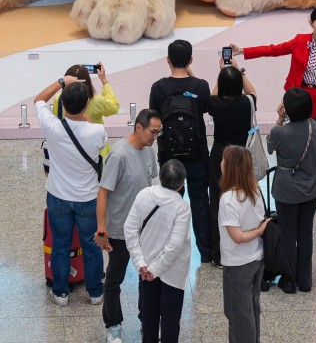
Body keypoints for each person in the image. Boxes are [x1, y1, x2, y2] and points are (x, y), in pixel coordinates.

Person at [35, 76, 107, 306]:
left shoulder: (53, 127)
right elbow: (92, 132)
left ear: (63, 104)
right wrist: (82, 113)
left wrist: (61, 82)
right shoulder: (97, 132)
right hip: (87, 199)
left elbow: (39, 100)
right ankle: (95, 292)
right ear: (86, 105)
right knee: (91, 245)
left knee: (60, 244)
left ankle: (60, 292)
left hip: (58, 196)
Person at [232, 6, 316, 143]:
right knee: (299, 136)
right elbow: (273, 50)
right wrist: (242, 51)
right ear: (311, 24)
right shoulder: (299, 41)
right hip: (300, 96)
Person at [96, 109, 161, 343]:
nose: (155, 137)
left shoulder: (148, 152)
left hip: (145, 229)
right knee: (115, 279)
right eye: (153, 132)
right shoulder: (119, 155)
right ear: (139, 128)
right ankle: (113, 324)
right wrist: (102, 229)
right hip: (120, 231)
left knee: (149, 276)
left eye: (158, 133)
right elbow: (103, 193)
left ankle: (148, 321)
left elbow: (151, 184)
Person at [149, 39, 212, 263]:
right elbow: (206, 108)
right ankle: (206, 252)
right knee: (200, 202)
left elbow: (154, 119)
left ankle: (167, 252)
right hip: (197, 155)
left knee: (169, 203)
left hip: (169, 156)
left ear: (168, 60)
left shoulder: (158, 88)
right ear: (191, 60)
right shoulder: (201, 86)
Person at [125, 159, 192, 343]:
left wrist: (142, 265)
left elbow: (130, 230)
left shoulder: (144, 194)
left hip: (146, 271)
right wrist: (155, 270)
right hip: (172, 273)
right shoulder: (181, 207)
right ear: (181, 184)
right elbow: (175, 246)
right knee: (170, 321)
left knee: (149, 318)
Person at [266, 87, 316, 294]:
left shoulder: (279, 132)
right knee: (305, 232)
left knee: (289, 234)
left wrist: (279, 119)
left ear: (287, 108)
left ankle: (289, 280)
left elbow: (270, 147)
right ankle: (305, 280)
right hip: (312, 187)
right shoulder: (315, 126)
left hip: (287, 190)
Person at [207, 59, 257, 265]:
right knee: (244, 196)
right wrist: (238, 70)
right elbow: (252, 92)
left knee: (218, 203)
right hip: (243, 154)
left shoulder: (215, 104)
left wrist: (222, 72)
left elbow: (212, 96)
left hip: (220, 153)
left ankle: (217, 254)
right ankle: (244, 243)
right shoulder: (247, 103)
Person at [218, 145, 269, 343]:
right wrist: (259, 231)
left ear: (229, 167)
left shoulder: (228, 199)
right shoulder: (254, 189)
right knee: (251, 310)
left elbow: (237, 236)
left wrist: (258, 231)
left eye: (224, 160)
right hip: (257, 258)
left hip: (238, 264)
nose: (221, 163)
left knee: (238, 315)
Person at [51, 63, 119, 157]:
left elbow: (55, 119)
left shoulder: (58, 99)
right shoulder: (96, 101)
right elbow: (114, 107)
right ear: (87, 83)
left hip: (67, 151)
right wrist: (104, 81)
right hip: (94, 153)